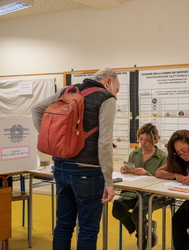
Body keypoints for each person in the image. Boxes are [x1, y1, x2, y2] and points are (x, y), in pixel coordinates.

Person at [31, 68, 120, 250]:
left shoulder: (67, 91)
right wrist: (109, 182)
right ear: (108, 82)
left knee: (63, 225)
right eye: (117, 90)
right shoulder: (106, 98)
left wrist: (53, 139)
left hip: (61, 167)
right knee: (87, 228)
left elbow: (36, 109)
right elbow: (104, 143)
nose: (116, 96)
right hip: (88, 171)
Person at [112, 123, 167, 249]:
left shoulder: (163, 157)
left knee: (137, 213)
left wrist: (147, 174)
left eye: (147, 140)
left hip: (152, 194)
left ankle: (142, 241)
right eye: (141, 139)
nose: (143, 143)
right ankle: (143, 228)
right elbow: (131, 174)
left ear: (156, 140)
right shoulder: (134, 153)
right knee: (117, 209)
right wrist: (125, 171)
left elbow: (164, 181)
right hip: (132, 192)